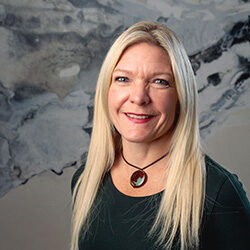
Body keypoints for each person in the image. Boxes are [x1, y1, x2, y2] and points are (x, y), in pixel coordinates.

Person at [71, 21, 250, 250]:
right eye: (123, 79)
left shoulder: (217, 192)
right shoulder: (86, 180)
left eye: (159, 82)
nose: (138, 97)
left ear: (180, 97)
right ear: (106, 89)